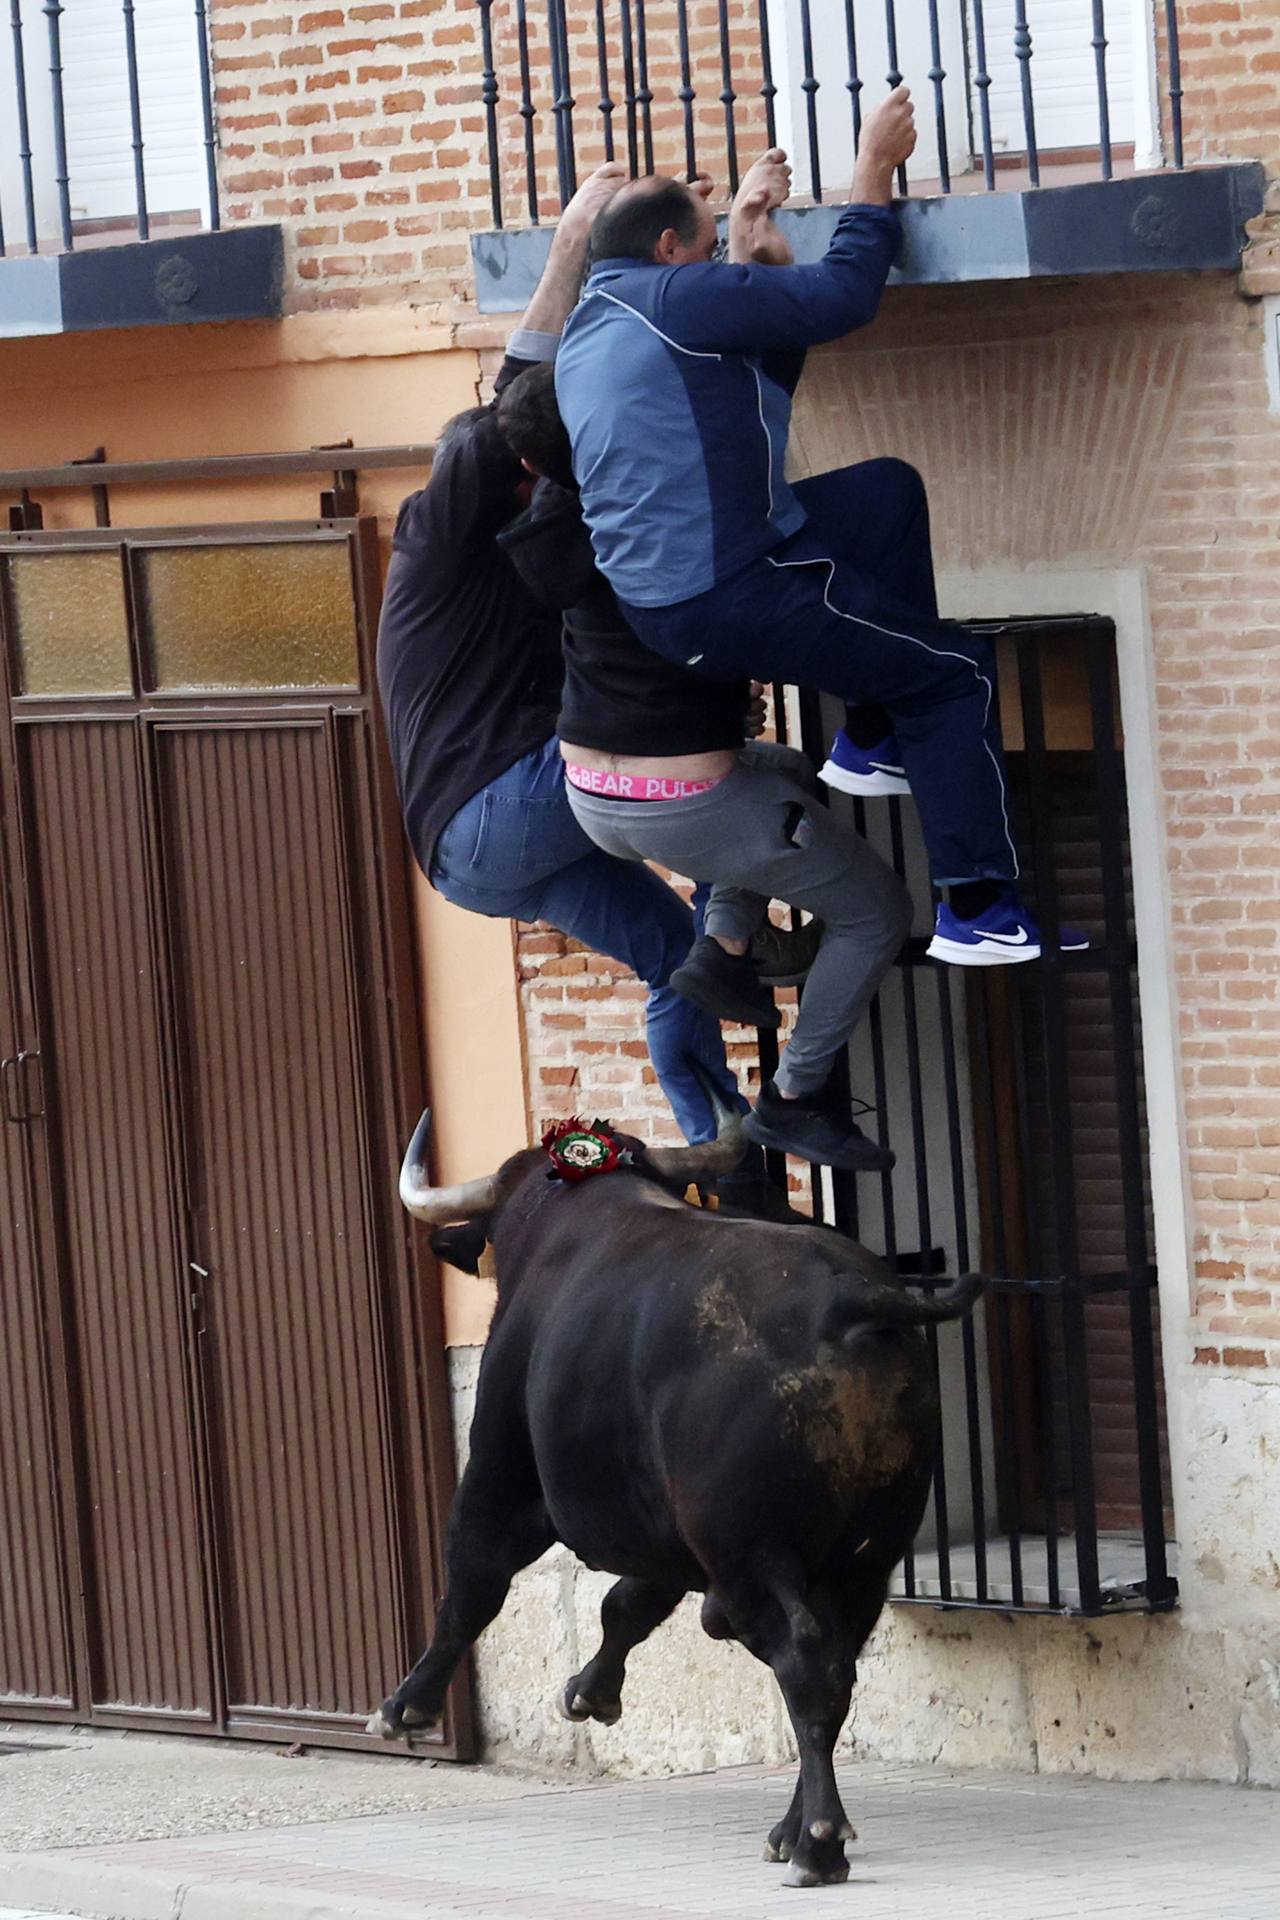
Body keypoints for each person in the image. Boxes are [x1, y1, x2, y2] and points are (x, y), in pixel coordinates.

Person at [555, 91, 1087, 968]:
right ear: (667, 252)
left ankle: (873, 737)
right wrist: (871, 170)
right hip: (733, 589)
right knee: (954, 673)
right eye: (705, 225)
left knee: (884, 494)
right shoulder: (673, 299)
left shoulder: (595, 325)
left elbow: (743, 411)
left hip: (683, 595)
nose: (715, 233)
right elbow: (844, 297)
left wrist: (755, 265)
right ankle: (979, 908)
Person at [376, 160, 805, 1208]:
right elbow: (516, 392)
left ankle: (726, 1165)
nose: (550, 482)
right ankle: (737, 928)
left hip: (470, 852)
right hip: (491, 811)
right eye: (531, 473)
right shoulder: (441, 525)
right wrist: (573, 239)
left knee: (672, 959)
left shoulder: (518, 546)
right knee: (717, 792)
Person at [497, 353, 911, 1173]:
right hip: (683, 795)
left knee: (786, 773)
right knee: (877, 914)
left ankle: (720, 949)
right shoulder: (654, 505)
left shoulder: (554, 516)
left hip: (590, 790)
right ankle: (792, 1100)